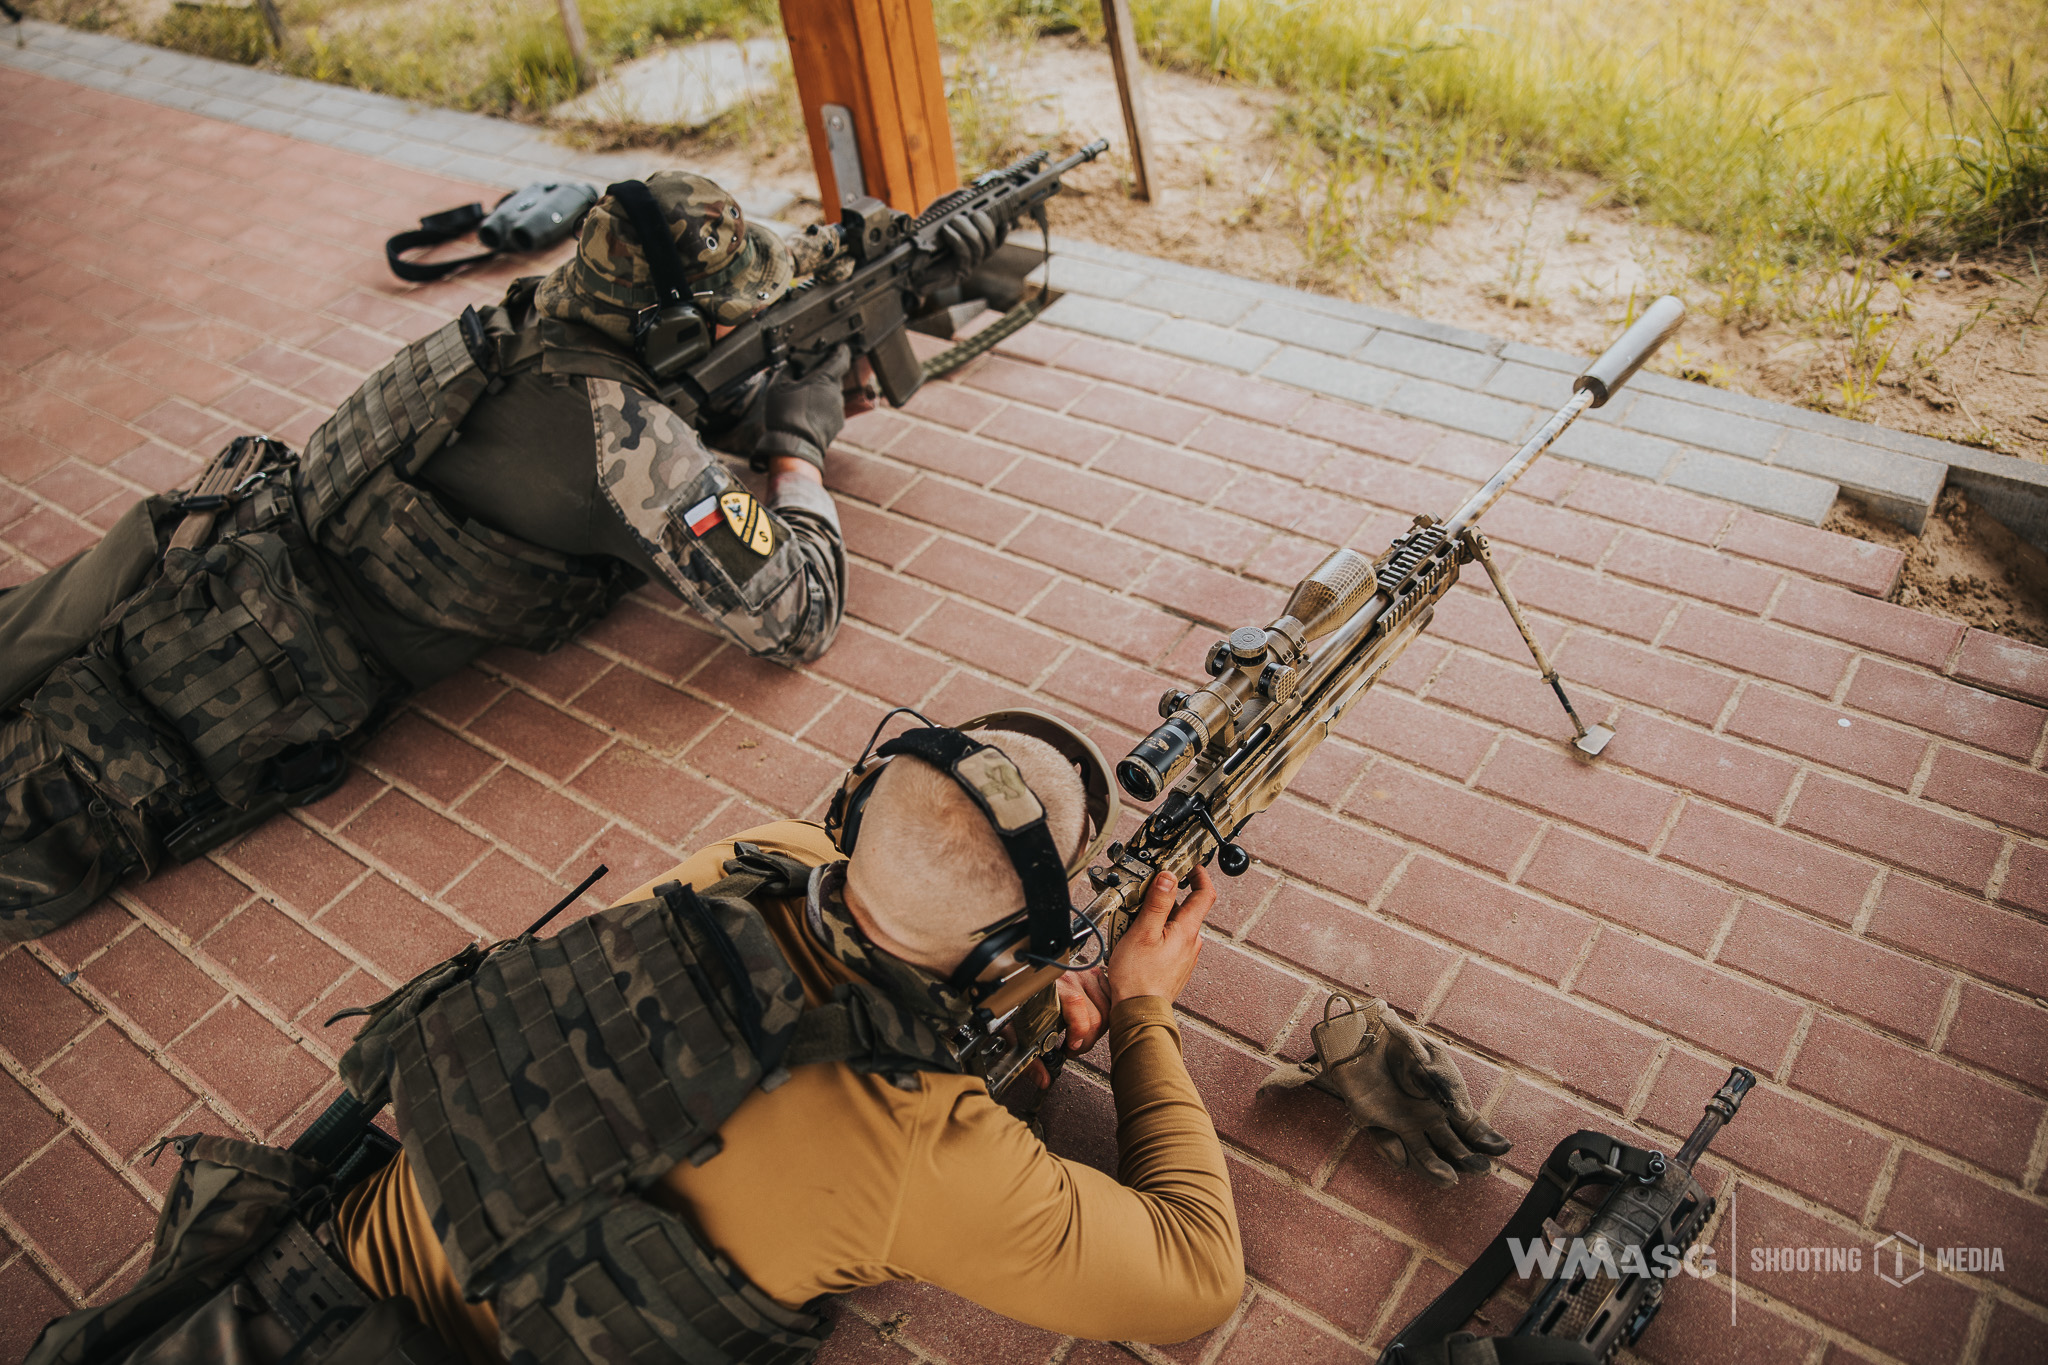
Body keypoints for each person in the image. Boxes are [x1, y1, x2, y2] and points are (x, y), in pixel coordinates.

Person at [24, 711, 1246, 1365]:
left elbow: (854, 932)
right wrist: (1139, 1010)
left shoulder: (742, 864)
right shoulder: (918, 1152)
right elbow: (1193, 1280)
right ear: (1003, 956)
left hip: (271, 1291)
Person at [0, 172, 969, 946]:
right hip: (233, 676)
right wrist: (795, 447)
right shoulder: (622, 441)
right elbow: (796, 616)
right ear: (671, 328)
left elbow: (732, 294)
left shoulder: (540, 308)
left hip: (212, 539)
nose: (736, 324)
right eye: (725, 316)